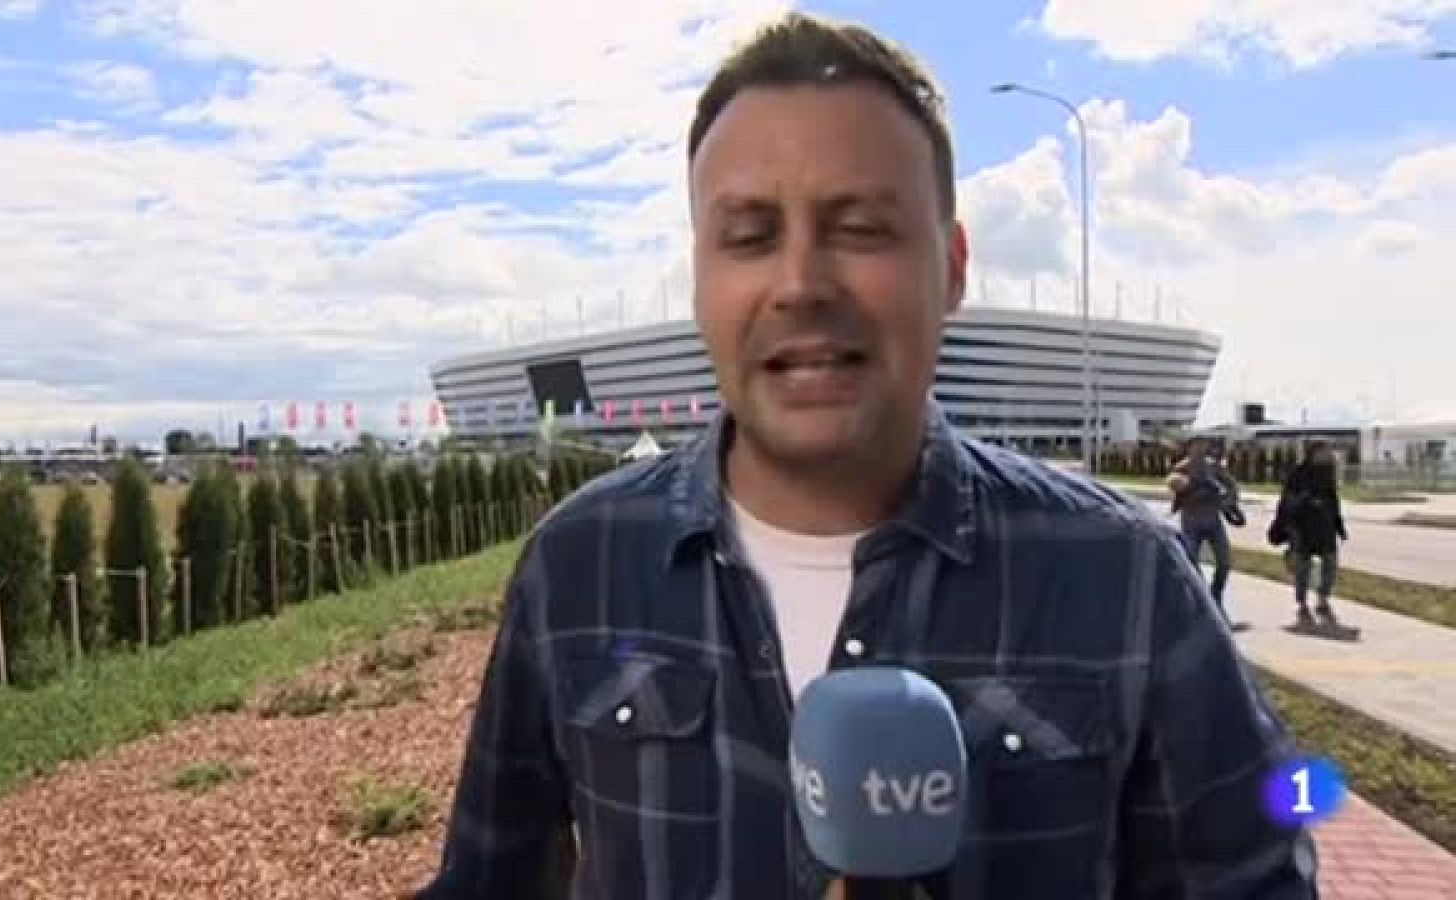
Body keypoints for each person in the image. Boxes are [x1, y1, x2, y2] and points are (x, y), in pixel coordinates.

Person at [416, 12, 1318, 899]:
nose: (802, 283)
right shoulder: (579, 564)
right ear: (700, 278)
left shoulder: (1128, 579)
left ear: (954, 265)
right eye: (750, 236)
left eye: (860, 227)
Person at [1165, 437, 1243, 626]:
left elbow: (1231, 486)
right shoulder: (1181, 468)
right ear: (1189, 448)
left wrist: (1227, 500)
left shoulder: (1214, 468)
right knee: (1191, 562)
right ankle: (1201, 600)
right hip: (1191, 522)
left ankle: (1216, 595)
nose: (1201, 448)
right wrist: (1187, 489)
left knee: (1224, 562)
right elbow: (1173, 486)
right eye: (1196, 445)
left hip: (1213, 521)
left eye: (1204, 445)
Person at [1270, 442, 1349, 626]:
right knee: (1303, 568)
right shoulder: (1298, 473)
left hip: (1325, 527)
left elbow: (1333, 501)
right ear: (1313, 453)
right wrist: (1305, 503)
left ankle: (1323, 598)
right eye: (1324, 451)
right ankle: (1302, 602)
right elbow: (1287, 501)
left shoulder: (1327, 473)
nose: (1328, 455)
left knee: (1330, 563)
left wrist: (1339, 526)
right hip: (1302, 527)